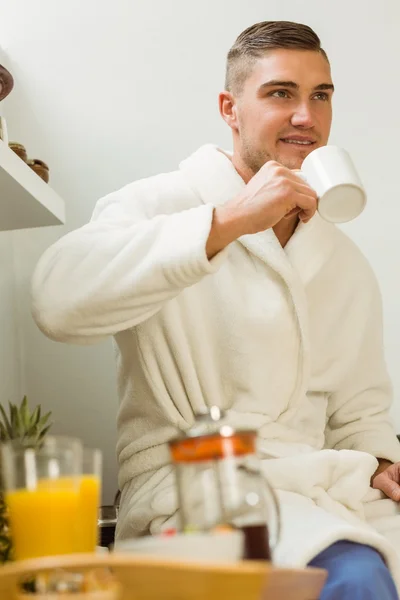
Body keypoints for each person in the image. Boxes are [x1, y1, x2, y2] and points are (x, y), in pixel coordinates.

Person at [31, 21, 400, 599]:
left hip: (326, 487)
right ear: (231, 109)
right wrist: (228, 222)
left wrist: (381, 459)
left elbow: (359, 414)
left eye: (320, 96)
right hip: (195, 489)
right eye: (282, 93)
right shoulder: (160, 205)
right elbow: (55, 302)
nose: (306, 115)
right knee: (352, 576)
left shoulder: (342, 260)